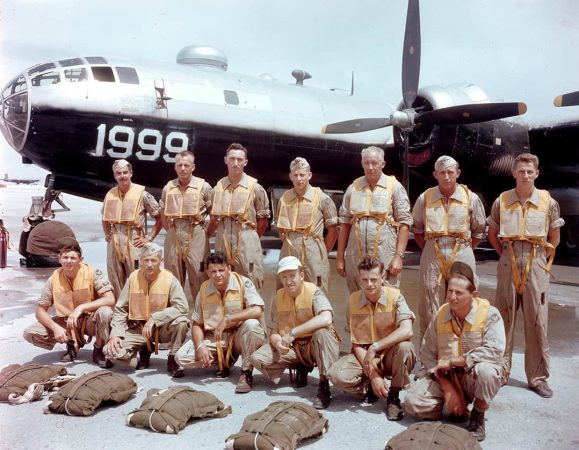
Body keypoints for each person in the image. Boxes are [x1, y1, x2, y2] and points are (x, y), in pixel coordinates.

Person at [487, 153, 564, 398]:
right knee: (503, 319)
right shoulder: (502, 200)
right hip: (508, 263)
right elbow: (493, 232)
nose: (526, 175)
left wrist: (538, 260)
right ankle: (501, 371)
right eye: (521, 171)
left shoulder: (548, 202)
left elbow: (555, 238)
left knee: (537, 321)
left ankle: (538, 377)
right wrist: (505, 256)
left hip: (536, 264)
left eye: (530, 171)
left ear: (537, 173)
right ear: (514, 173)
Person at [404, 261, 506, 442]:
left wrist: (456, 361)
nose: (452, 297)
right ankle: (456, 407)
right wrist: (448, 388)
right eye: (450, 291)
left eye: (459, 293)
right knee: (413, 402)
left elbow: (495, 351)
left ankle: (478, 415)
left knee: (487, 372)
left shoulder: (490, 314)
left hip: (472, 377)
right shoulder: (441, 314)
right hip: (448, 376)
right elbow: (427, 355)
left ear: (473, 295)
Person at [327, 257, 416, 421]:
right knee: (336, 375)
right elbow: (356, 344)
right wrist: (374, 375)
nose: (369, 284)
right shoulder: (353, 300)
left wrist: (375, 347)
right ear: (359, 279)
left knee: (406, 347)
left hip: (390, 355)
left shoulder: (396, 297)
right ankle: (370, 385)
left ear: (383, 277)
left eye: (374, 279)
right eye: (365, 280)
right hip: (365, 355)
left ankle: (393, 396)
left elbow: (407, 329)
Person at [250, 256, 340, 409]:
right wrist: (278, 343)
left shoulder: (314, 292)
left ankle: (324, 384)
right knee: (258, 358)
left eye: (292, 275)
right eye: (284, 277)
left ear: (302, 275)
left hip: (315, 345)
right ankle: (300, 367)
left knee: (323, 334)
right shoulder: (278, 296)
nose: (288, 281)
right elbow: (273, 330)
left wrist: (293, 332)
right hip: (295, 348)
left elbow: (326, 318)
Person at [412, 155, 486, 340]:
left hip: (461, 249)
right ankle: (430, 360)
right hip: (432, 251)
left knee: (463, 300)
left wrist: (465, 250)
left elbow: (479, 231)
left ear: (458, 173)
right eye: (442, 173)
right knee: (429, 303)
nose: (446, 177)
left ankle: (462, 354)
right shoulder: (425, 198)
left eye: (450, 172)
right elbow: (418, 230)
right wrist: (430, 250)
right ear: (435, 175)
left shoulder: (471, 198)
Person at [174, 251, 266, 393]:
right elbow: (197, 324)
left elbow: (257, 310)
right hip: (216, 340)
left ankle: (246, 372)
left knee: (252, 325)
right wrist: (199, 346)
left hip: (238, 338)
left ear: (229, 269)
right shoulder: (204, 289)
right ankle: (224, 362)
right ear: (208, 273)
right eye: (213, 271)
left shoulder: (243, 283)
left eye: (222, 270)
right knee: (181, 358)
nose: (218, 275)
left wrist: (229, 318)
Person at [23, 237, 115, 368]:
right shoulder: (54, 278)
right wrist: (56, 329)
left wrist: (81, 308)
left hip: (91, 321)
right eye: (65, 258)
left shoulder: (92, 272)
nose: (68, 261)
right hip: (68, 323)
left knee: (106, 312)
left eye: (73, 258)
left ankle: (98, 348)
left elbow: (110, 299)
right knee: (30, 333)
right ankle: (71, 343)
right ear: (59, 259)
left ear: (80, 259)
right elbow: (40, 311)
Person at [104, 243, 189, 378]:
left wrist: (155, 318)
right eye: (146, 260)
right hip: (138, 328)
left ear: (161, 261)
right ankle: (142, 350)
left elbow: (182, 307)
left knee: (182, 322)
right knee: (111, 353)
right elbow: (121, 309)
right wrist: (116, 334)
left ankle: (172, 358)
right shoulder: (133, 278)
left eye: (153, 260)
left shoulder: (170, 279)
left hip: (161, 328)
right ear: (141, 261)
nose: (149, 264)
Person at [336, 146, 412, 292]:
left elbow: (404, 224)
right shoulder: (353, 188)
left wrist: (398, 257)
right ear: (362, 163)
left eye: (374, 163)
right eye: (367, 163)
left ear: (382, 164)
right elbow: (345, 224)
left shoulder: (394, 187)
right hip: (355, 255)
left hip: (385, 255)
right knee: (357, 298)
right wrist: (340, 258)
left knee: (386, 298)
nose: (370, 167)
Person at [206, 143, 270, 290]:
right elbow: (214, 219)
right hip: (223, 241)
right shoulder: (217, 189)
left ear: (245, 162)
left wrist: (251, 239)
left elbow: (263, 222)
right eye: (232, 158)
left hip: (247, 241)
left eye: (239, 160)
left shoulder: (256, 188)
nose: (235, 163)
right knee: (222, 283)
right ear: (225, 160)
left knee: (251, 283)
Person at [275, 157, 338, 294]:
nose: (299, 179)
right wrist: (290, 242)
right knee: (285, 291)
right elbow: (280, 228)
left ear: (309, 175)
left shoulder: (322, 198)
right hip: (289, 249)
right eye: (295, 175)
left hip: (313, 250)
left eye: (302, 175)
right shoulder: (284, 199)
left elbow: (333, 230)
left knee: (316, 290)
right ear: (290, 176)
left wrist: (321, 252)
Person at [101, 159, 162, 298]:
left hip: (134, 240)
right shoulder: (110, 194)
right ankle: (119, 313)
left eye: (125, 172)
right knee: (114, 278)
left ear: (131, 173)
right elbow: (104, 217)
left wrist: (149, 238)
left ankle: (139, 315)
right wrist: (107, 234)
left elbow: (159, 216)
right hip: (114, 241)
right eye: (118, 173)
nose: (122, 176)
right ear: (114, 175)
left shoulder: (143, 194)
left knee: (138, 279)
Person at [159, 150, 213, 305]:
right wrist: (169, 231)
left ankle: (203, 321)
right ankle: (177, 320)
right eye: (179, 165)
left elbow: (214, 216)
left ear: (193, 167)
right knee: (172, 278)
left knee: (200, 276)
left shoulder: (204, 187)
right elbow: (162, 213)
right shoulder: (168, 187)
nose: (183, 168)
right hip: (174, 233)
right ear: (175, 167)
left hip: (196, 233)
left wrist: (204, 234)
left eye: (186, 165)